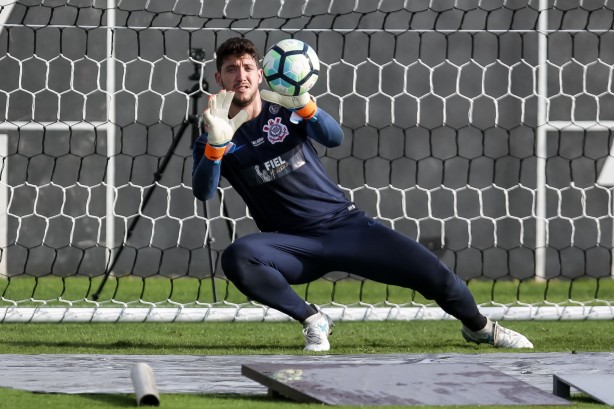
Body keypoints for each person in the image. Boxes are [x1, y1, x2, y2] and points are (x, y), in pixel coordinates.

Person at [191, 37, 534, 352]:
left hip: (346, 228)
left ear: (262, 74)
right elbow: (203, 191)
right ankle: (313, 319)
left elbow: (334, 137)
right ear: (219, 79)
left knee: (438, 277)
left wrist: (306, 106)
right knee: (239, 256)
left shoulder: (284, 108)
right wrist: (216, 147)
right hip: (294, 246)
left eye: (248, 67)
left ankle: (481, 327)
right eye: (231, 69)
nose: (241, 75)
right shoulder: (213, 133)